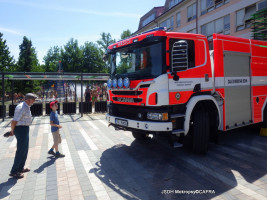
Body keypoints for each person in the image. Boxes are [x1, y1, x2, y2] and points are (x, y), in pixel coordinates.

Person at [9, 93, 37, 179]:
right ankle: (14, 171)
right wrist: (12, 131)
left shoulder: (27, 106)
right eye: (33, 100)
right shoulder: (21, 107)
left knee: (25, 149)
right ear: (28, 100)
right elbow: (14, 121)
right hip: (20, 130)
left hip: (24, 129)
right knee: (21, 150)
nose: (34, 102)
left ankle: (20, 168)